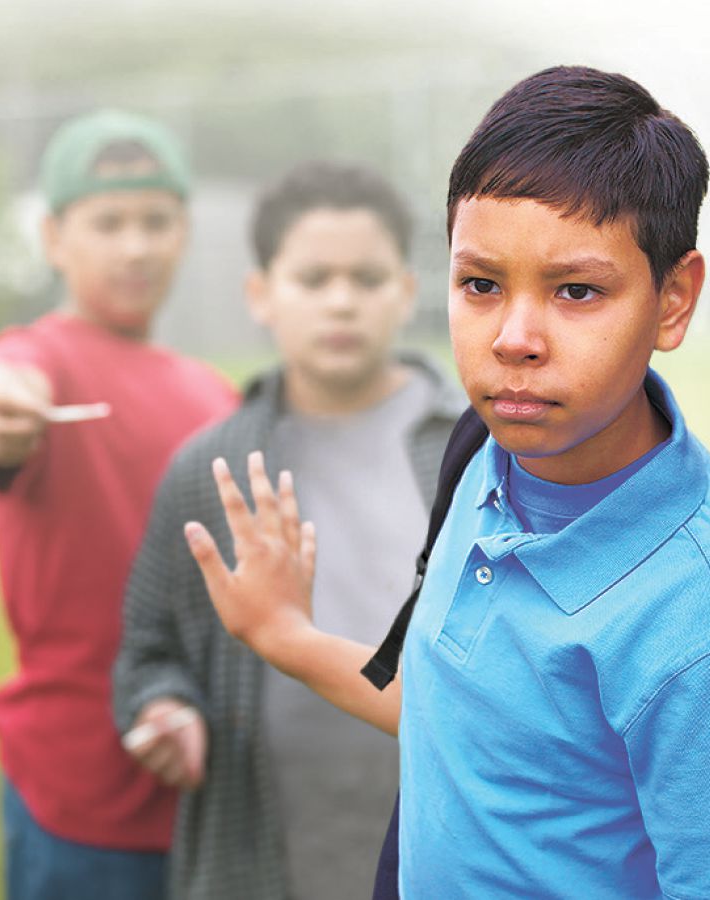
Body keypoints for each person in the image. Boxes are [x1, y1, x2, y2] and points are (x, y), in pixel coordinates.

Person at [184, 66, 710, 899]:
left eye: (577, 291)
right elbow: (464, 723)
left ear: (673, 300)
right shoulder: (486, 451)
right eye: (481, 284)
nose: (514, 339)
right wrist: (285, 635)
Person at [112, 160, 465, 900]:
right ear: (260, 294)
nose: (341, 301)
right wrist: (165, 708)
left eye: (367, 278)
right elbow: (149, 649)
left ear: (406, 292)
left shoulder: (478, 449)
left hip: (446, 852)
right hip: (266, 857)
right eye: (313, 279)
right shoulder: (208, 470)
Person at [0, 109, 239, 900]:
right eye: (108, 223)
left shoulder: (211, 393)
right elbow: (7, 393)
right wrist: (3, 408)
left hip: (203, 789)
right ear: (55, 238)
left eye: (156, 221)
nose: (136, 247)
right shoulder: (37, 355)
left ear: (184, 232)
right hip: (76, 798)